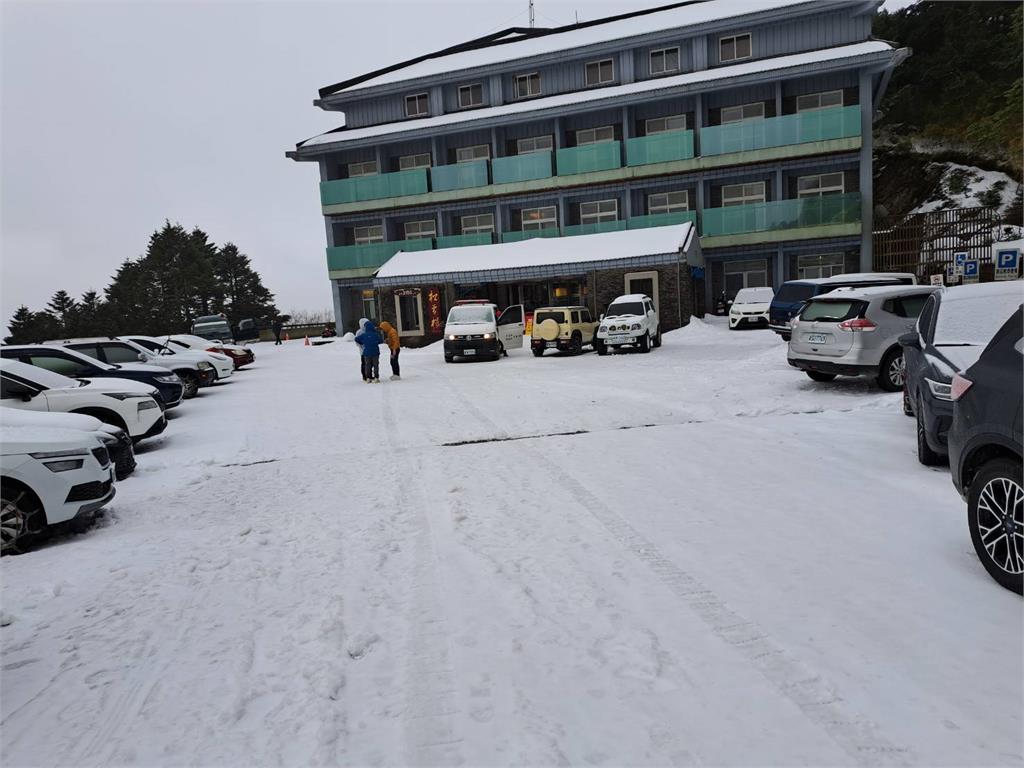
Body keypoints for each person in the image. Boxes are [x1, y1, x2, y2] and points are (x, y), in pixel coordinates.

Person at [354, 318, 383, 383]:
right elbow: (381, 340)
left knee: (367, 365)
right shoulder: (374, 334)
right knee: (374, 365)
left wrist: (363, 343)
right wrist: (374, 342)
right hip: (374, 352)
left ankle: (368, 377)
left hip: (366, 352)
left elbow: (356, 339)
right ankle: (375, 377)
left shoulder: (364, 334)